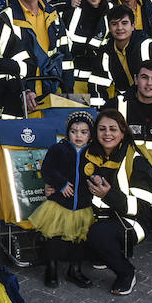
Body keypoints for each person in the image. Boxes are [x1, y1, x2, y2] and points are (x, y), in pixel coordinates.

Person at [83, 109, 152, 296]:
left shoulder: (136, 160)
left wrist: (108, 195)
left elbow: (142, 207)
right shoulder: (92, 154)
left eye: (113, 129)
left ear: (123, 132)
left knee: (98, 235)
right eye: (102, 129)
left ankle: (126, 272)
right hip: (100, 216)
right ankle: (102, 253)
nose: (107, 134)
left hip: (133, 221)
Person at [30, 112, 97, 289]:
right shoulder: (58, 149)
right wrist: (61, 183)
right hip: (59, 204)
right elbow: (47, 170)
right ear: (68, 132)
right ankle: (51, 268)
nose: (78, 136)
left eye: (84, 132)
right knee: (52, 237)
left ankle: (75, 269)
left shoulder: (93, 153)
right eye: (74, 131)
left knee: (79, 239)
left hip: (83, 205)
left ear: (90, 134)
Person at [105, 59, 152, 216]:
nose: (149, 83)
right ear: (136, 79)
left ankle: (150, 211)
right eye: (144, 77)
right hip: (122, 164)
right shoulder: (117, 105)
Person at [6, 0, 70, 108]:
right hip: (24, 98)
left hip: (54, 93)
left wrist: (68, 90)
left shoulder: (53, 15)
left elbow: (65, 56)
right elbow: (6, 60)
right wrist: (23, 90)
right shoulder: (5, 17)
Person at [91, 5, 152, 105]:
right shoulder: (105, 52)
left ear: (133, 25)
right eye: (114, 24)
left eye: (124, 23)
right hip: (128, 104)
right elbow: (97, 84)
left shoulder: (150, 47)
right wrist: (101, 111)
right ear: (109, 27)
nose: (119, 28)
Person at [62, 0, 110, 97]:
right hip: (74, 81)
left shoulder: (112, 12)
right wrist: (66, 2)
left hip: (103, 82)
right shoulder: (72, 13)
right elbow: (46, 8)